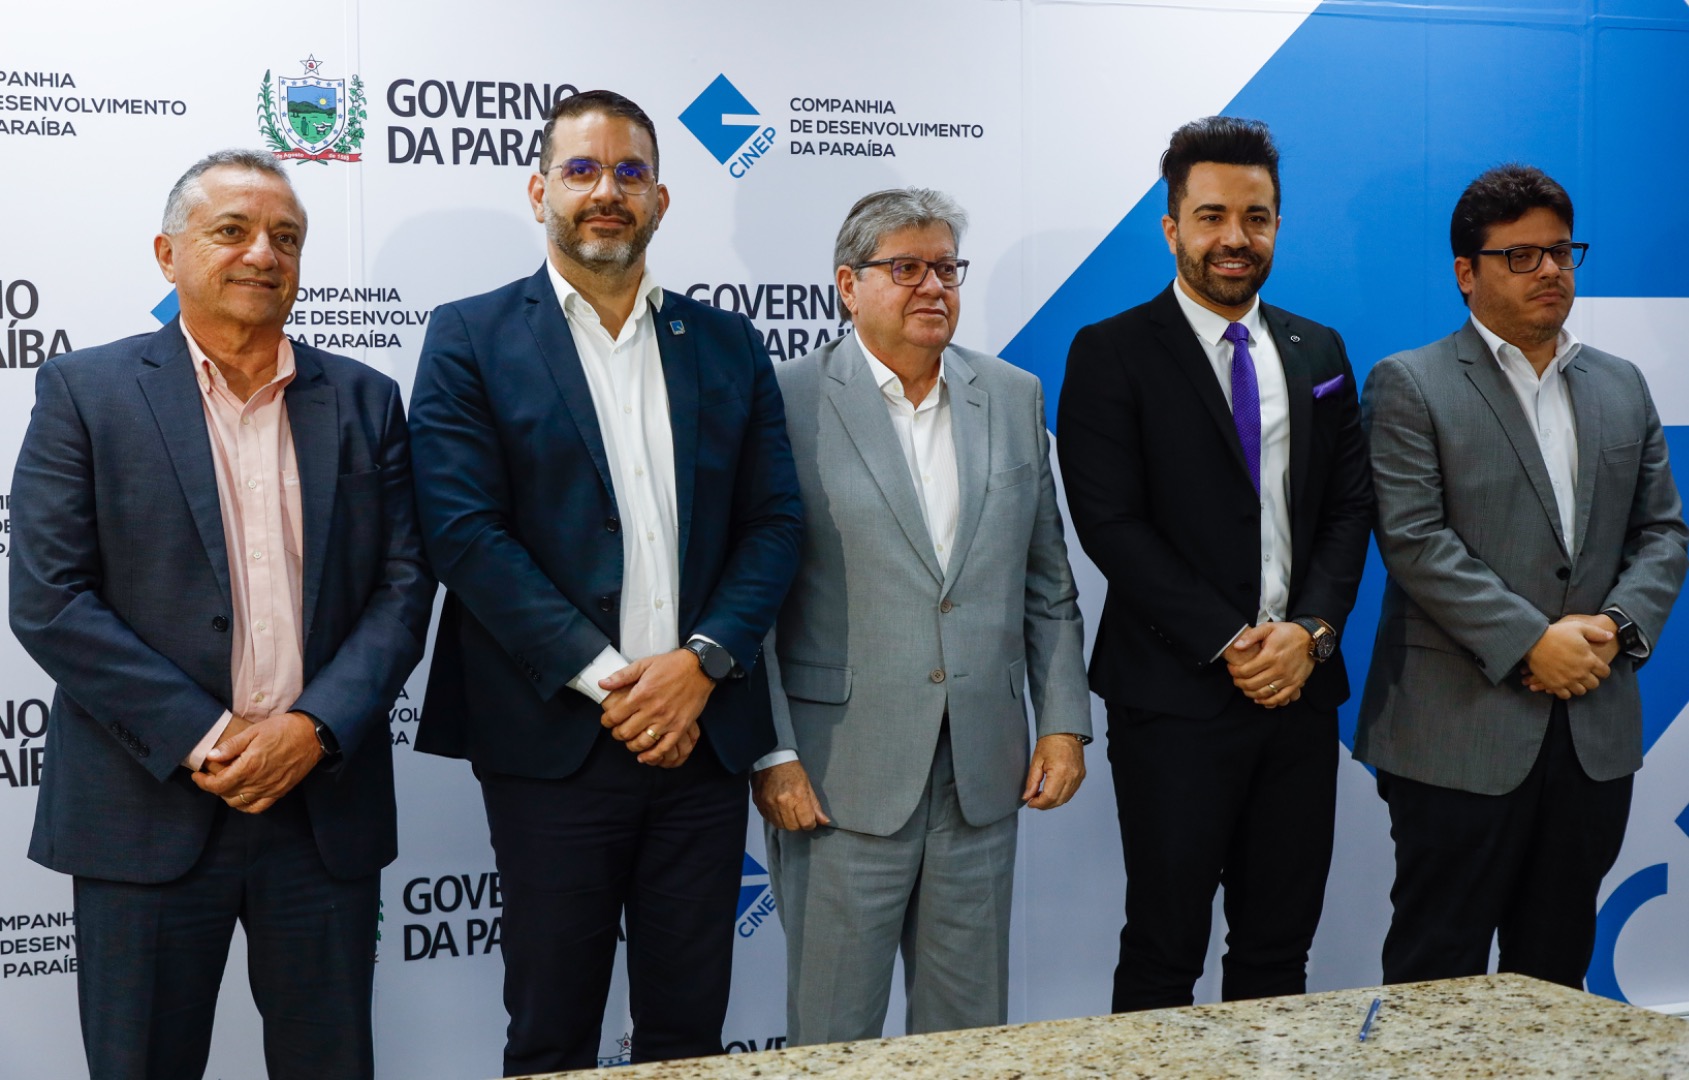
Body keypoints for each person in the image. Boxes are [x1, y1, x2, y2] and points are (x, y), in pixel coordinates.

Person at [10, 149, 435, 1080]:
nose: (262, 254)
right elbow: (49, 598)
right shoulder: (86, 392)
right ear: (168, 254)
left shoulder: (366, 399)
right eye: (232, 231)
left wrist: (312, 729)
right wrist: (210, 737)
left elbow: (404, 588)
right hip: (147, 803)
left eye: (286, 237)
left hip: (320, 806)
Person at [409, 90, 802, 1074]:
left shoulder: (727, 343)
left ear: (660, 199)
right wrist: (615, 683)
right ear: (539, 190)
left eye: (630, 172)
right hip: (553, 741)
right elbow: (463, 533)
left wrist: (700, 665)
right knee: (551, 1032)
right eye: (581, 170)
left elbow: (774, 525)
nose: (606, 192)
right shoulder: (469, 336)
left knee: (688, 1035)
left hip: (701, 738)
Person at [753, 188, 1091, 1044]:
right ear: (847, 284)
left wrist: (1061, 725)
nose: (932, 286)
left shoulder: (1011, 395)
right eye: (905, 268)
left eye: (945, 268)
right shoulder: (782, 399)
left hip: (981, 773)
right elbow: (750, 598)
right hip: (836, 779)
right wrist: (774, 752)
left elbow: (1046, 583)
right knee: (831, 1040)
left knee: (968, 1039)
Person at [1057, 116, 1373, 1011]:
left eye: (1255, 217)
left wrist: (1309, 633)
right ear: (1172, 227)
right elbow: (1110, 523)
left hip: (1299, 692)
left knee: (1278, 950)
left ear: (1276, 225)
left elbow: (1348, 508)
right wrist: (1231, 641)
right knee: (1163, 949)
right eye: (1211, 216)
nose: (1235, 237)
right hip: (1174, 697)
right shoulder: (1110, 350)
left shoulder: (1319, 350)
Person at [1357, 163, 1687, 988]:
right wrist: (1531, 641)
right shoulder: (1410, 382)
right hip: (1456, 735)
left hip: (1590, 733)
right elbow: (1413, 539)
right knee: (1437, 978)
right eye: (1520, 256)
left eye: (1560, 252)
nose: (1548, 270)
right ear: (1465, 273)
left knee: (1554, 975)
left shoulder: (1620, 383)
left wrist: (1611, 629)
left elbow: (1662, 531)